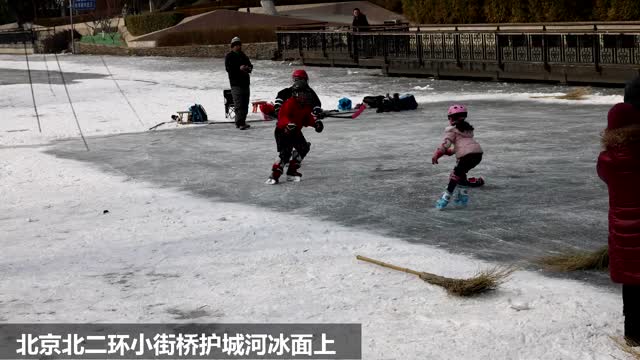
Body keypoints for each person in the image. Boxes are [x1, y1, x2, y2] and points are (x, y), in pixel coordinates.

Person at [597, 101, 640, 347]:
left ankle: (633, 333)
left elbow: (604, 176)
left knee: (631, 283)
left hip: (623, 228)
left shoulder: (608, 160)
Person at [265, 80, 325, 185]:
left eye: (306, 93)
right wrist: (288, 123)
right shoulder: (289, 103)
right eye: (302, 93)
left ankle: (292, 172)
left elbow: (307, 118)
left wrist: (316, 123)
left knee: (303, 148)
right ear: (296, 93)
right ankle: (275, 175)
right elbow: (282, 117)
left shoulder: (306, 105)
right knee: (285, 153)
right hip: (283, 131)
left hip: (296, 131)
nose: (305, 96)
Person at [431, 104, 484, 210]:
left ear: (451, 118)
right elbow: (457, 149)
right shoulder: (466, 131)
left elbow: (446, 144)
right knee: (461, 174)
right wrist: (446, 152)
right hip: (478, 155)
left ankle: (444, 199)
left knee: (454, 176)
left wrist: (437, 154)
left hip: (467, 156)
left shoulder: (452, 131)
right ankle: (462, 196)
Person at [225, 36, 253, 130]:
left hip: (245, 83)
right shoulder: (229, 56)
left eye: (239, 45)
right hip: (236, 84)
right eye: (236, 45)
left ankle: (242, 121)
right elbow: (228, 69)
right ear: (232, 46)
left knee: (245, 103)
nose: (238, 47)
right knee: (239, 104)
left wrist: (248, 68)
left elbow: (250, 65)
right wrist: (239, 68)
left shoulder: (243, 55)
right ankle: (239, 122)